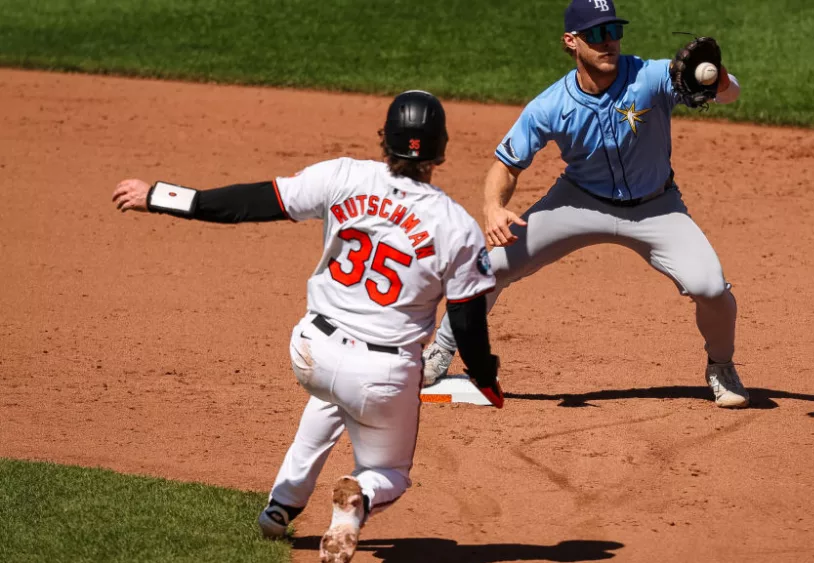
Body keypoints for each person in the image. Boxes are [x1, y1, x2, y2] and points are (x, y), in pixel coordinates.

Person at [112, 91, 503, 563]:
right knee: (390, 472)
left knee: (332, 396)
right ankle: (357, 498)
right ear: (441, 149)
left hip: (311, 350)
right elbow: (465, 318)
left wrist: (160, 195)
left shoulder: (341, 175)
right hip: (384, 375)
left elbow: (252, 202)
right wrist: (484, 376)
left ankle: (281, 505)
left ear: (385, 140)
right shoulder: (457, 226)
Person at [421, 0, 751, 409]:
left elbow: (728, 94)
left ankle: (720, 365)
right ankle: (441, 350)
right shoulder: (550, 105)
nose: (608, 41)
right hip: (579, 202)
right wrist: (492, 207)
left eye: (613, 31)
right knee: (493, 266)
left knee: (711, 288)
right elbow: (505, 166)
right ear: (571, 42)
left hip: (657, 207)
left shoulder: (648, 77)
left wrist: (719, 80)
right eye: (595, 34)